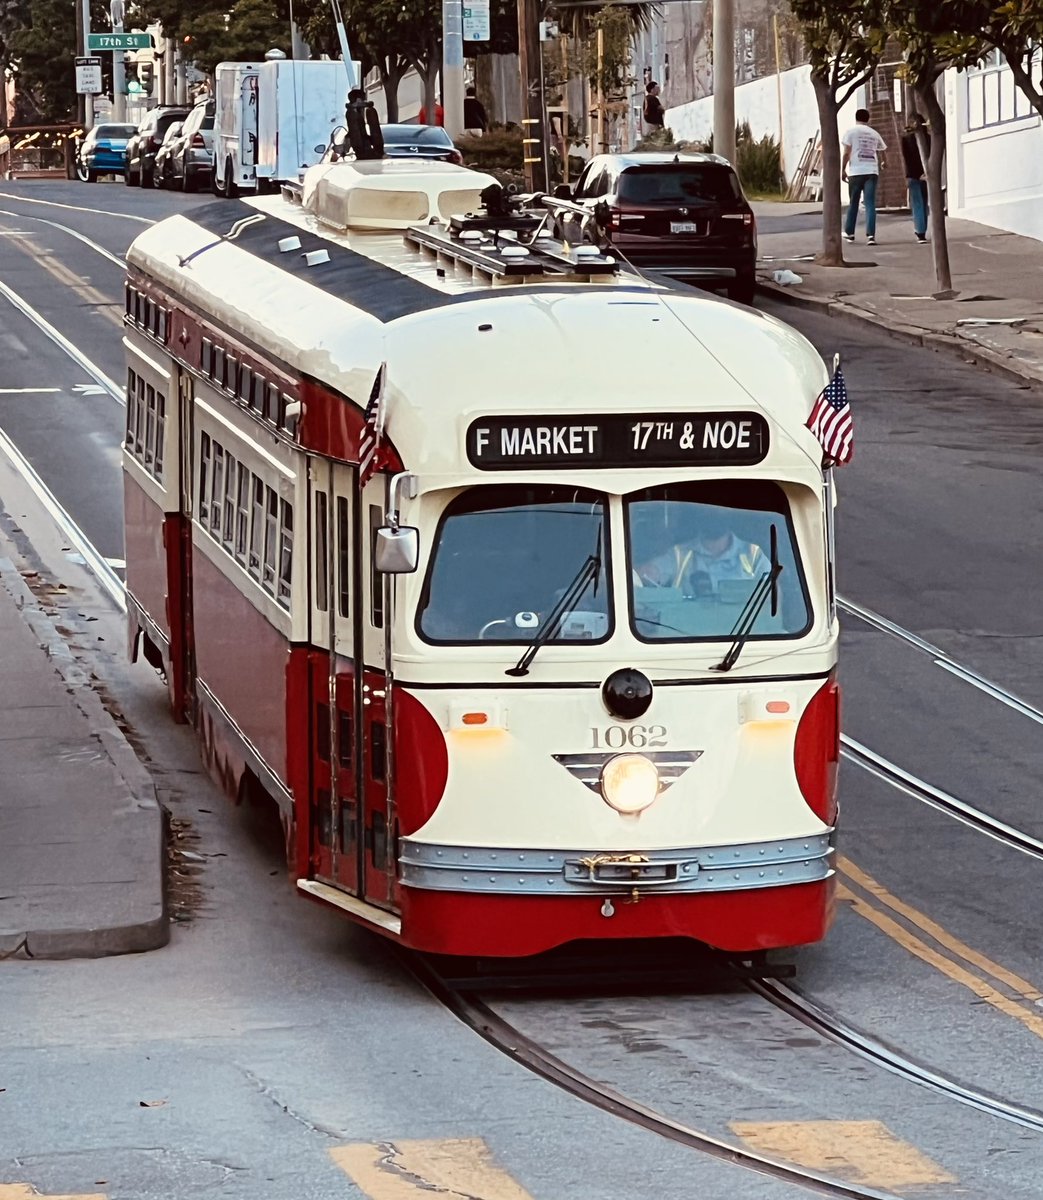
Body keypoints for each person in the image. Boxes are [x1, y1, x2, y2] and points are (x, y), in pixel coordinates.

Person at [634, 511, 763, 594]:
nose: (714, 514)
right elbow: (644, 574)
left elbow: (773, 596)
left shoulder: (754, 553)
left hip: (742, 634)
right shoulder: (678, 554)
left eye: (720, 509)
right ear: (699, 517)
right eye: (709, 510)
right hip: (685, 634)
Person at [841, 108, 887, 246]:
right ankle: (871, 235)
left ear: (856, 118)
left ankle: (850, 233)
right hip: (872, 170)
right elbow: (883, 150)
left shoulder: (850, 132)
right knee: (870, 204)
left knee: (853, 202)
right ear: (868, 119)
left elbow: (846, 153)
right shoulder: (874, 133)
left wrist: (842, 169)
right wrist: (885, 162)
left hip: (856, 171)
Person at [901, 113, 930, 244]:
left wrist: (908, 175)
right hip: (926, 173)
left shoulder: (906, 139)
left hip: (913, 174)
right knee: (924, 202)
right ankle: (922, 229)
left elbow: (906, 159)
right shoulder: (929, 138)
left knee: (917, 203)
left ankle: (920, 231)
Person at [345, 88, 384, 160]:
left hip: (363, 149)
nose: (364, 101)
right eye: (363, 99)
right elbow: (356, 133)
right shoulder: (352, 114)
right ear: (358, 99)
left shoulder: (354, 112)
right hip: (363, 151)